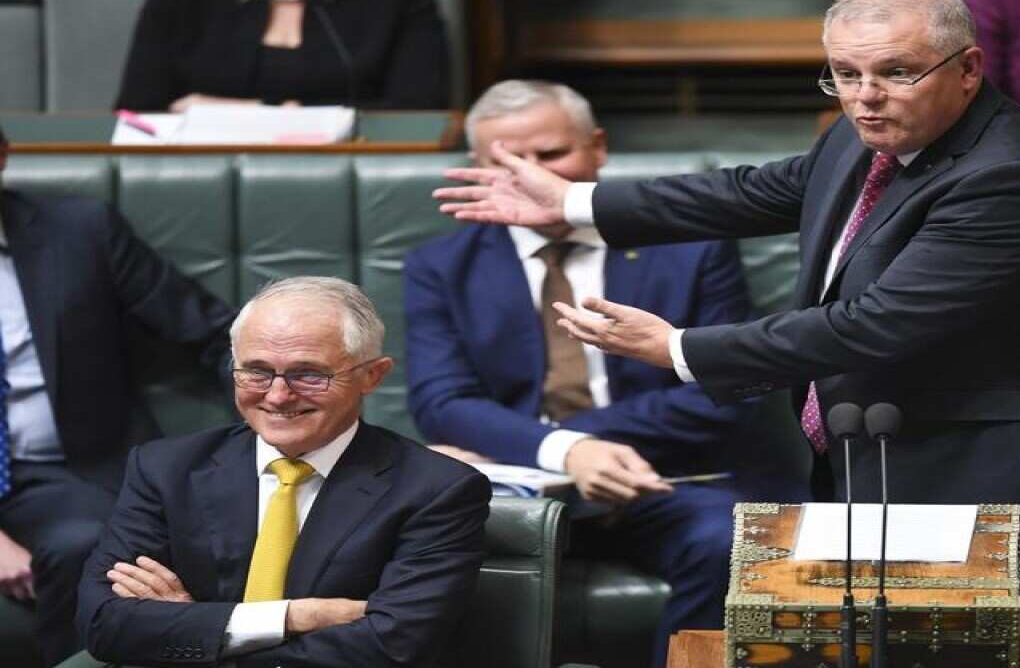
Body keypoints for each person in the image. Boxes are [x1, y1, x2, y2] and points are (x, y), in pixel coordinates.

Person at [436, 0, 1020, 630]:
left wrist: (679, 349)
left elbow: (877, 324)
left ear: (969, 68)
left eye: (896, 72)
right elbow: (752, 191)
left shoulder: (1008, 176)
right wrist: (573, 202)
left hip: (994, 488)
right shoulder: (869, 136)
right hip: (896, 464)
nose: (866, 97)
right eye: (846, 74)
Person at [404, 79, 759, 667]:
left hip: (664, 481)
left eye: (550, 155)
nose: (531, 175)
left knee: (726, 542)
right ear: (477, 167)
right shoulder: (441, 266)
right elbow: (442, 402)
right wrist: (564, 451)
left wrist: (589, 445)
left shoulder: (693, 248)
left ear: (598, 147)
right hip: (511, 486)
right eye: (507, 161)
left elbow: (720, 389)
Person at [76, 277, 489, 667]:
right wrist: (293, 617)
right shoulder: (165, 469)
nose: (277, 395)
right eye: (256, 370)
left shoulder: (437, 490)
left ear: (372, 376)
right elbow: (104, 623)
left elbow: (392, 647)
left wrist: (198, 632)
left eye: (308, 374)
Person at [0, 127, 236, 665]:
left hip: (72, 470)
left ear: (3, 156)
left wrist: (271, 400)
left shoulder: (78, 231)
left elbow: (210, 331)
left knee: (99, 542)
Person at [115, 0, 450, 112]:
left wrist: (258, 115)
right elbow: (138, 112)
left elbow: (420, 113)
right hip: (203, 184)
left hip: (352, 183)